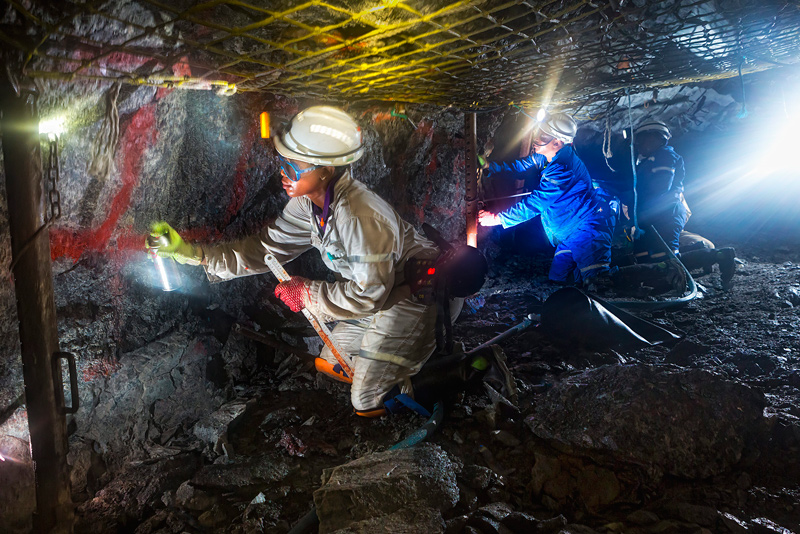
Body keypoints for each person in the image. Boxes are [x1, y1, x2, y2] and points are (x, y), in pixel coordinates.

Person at [147, 105, 511, 417]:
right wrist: (191, 253)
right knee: (331, 362)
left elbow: (369, 296)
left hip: (420, 297)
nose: (283, 173)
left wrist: (306, 293)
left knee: (366, 399)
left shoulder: (360, 217)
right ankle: (412, 358)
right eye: (283, 163)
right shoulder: (309, 205)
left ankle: (470, 368)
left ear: (325, 170)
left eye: (294, 166)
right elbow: (264, 250)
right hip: (385, 292)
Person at [478, 112, 618, 286]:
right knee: (558, 279)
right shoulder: (548, 156)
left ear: (557, 142)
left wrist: (498, 218)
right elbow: (522, 165)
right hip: (568, 231)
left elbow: (535, 204)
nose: (536, 139)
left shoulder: (562, 168)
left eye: (542, 135)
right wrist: (490, 166)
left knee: (597, 282)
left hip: (586, 231)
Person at [631, 120, 735, 289]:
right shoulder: (649, 160)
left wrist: (634, 191)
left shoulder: (665, 155)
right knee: (643, 256)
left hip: (665, 213)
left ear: (654, 137)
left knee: (667, 258)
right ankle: (695, 253)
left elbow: (660, 186)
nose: (638, 144)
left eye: (641, 138)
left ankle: (720, 256)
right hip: (650, 215)